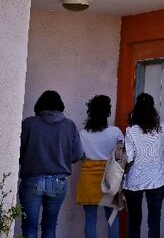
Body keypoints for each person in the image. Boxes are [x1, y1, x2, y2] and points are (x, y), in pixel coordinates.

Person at [19, 90, 83, 238]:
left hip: (32, 179)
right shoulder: (69, 125)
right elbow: (77, 155)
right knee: (50, 226)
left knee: (29, 228)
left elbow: (17, 153)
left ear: (39, 105)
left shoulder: (29, 123)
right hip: (58, 181)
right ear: (60, 105)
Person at [123, 93, 164, 238]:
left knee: (134, 221)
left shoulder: (131, 131)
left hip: (134, 180)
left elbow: (129, 157)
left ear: (136, 110)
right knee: (154, 220)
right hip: (156, 180)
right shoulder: (162, 128)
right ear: (153, 109)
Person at [77, 95, 123, 238]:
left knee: (90, 219)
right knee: (112, 218)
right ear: (107, 112)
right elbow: (122, 154)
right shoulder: (115, 132)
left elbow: (79, 155)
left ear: (90, 112)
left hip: (88, 179)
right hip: (110, 179)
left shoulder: (82, 134)